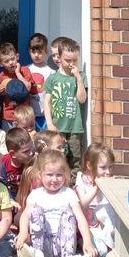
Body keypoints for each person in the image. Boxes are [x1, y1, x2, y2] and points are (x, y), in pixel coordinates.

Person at [16, 149, 97, 257]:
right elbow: (25, 215)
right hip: (42, 246)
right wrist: (23, 232)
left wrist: (87, 241)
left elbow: (80, 218)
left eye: (59, 175)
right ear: (40, 175)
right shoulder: (36, 194)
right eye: (49, 175)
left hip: (64, 247)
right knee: (35, 212)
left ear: (65, 175)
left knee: (69, 214)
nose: (54, 179)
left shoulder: (69, 194)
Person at [43, 37, 87, 174]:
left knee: (75, 158)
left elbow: (82, 99)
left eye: (75, 60)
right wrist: (49, 123)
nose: (71, 64)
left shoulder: (81, 76)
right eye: (68, 60)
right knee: (56, 157)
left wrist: (78, 79)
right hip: (57, 127)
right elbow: (47, 102)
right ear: (59, 57)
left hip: (75, 128)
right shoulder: (53, 78)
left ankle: (73, 182)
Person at [75, 143, 117, 257]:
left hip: (104, 228)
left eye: (111, 167)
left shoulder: (108, 180)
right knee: (101, 252)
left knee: (109, 249)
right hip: (86, 229)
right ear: (89, 165)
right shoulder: (81, 179)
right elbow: (82, 205)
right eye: (103, 167)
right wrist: (97, 187)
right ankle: (84, 251)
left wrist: (114, 187)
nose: (108, 172)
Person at [16, 130, 66, 212]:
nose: (63, 150)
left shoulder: (61, 171)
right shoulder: (31, 173)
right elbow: (23, 198)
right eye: (59, 148)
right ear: (45, 149)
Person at [0, 42, 38, 130]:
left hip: (24, 116)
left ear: (17, 56)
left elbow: (28, 88)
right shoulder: (2, 75)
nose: (11, 62)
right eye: (6, 61)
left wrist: (18, 73)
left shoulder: (25, 70)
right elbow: (3, 95)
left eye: (12, 59)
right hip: (9, 115)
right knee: (9, 137)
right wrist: (1, 90)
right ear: (0, 64)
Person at [0, 127, 35, 201]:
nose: (31, 153)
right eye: (26, 151)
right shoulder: (3, 163)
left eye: (31, 148)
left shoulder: (32, 162)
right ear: (13, 154)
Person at [27, 32, 52, 129]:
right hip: (29, 115)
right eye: (33, 52)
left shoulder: (51, 72)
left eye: (40, 52)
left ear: (46, 51)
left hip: (46, 115)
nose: (36, 55)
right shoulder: (26, 70)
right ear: (29, 51)